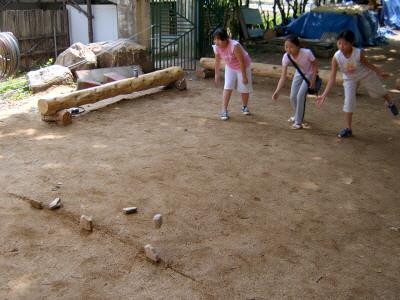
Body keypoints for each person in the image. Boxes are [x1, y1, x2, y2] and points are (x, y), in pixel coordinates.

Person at [317, 30, 398, 138]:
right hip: (349, 79)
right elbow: (332, 78)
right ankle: (348, 129)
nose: (341, 46)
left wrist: (379, 72)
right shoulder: (336, 57)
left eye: (345, 43)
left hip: (365, 74)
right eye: (339, 43)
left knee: (378, 90)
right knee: (348, 102)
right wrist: (324, 95)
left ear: (352, 43)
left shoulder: (358, 53)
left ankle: (390, 102)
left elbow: (368, 64)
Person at [272, 35, 318, 129]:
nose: (288, 49)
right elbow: (283, 76)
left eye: (291, 47)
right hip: (299, 73)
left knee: (300, 96)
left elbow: (315, 64)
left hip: (309, 73)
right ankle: (297, 115)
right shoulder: (286, 57)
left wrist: (313, 80)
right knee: (293, 96)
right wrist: (277, 91)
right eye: (286, 47)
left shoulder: (306, 53)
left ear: (298, 46)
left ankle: (298, 122)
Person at [213, 28, 253, 121]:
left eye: (219, 39)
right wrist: (216, 74)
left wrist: (244, 76)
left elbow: (241, 61)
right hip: (230, 66)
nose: (216, 42)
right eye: (215, 39)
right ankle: (224, 110)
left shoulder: (234, 46)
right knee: (227, 87)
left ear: (226, 39)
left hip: (243, 66)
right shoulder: (216, 47)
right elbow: (217, 61)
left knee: (244, 88)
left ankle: (244, 106)